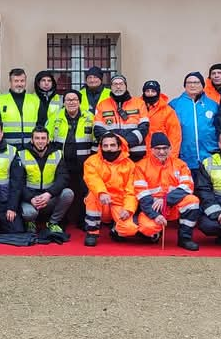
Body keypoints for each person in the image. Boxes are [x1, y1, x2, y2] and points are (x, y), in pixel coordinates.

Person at [132, 132, 201, 251]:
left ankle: (185, 239)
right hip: (153, 207)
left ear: (170, 148)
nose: (162, 152)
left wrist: (165, 200)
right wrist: (155, 215)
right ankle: (154, 234)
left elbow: (187, 187)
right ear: (151, 149)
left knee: (192, 201)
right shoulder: (141, 166)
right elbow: (142, 195)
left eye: (165, 148)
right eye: (158, 148)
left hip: (172, 205)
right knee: (148, 228)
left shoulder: (180, 164)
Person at [82, 133, 139, 247]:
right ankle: (92, 232)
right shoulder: (91, 161)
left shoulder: (130, 165)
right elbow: (92, 179)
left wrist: (128, 209)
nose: (109, 149)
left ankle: (115, 230)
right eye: (105, 146)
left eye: (112, 145)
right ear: (101, 147)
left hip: (119, 203)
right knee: (93, 195)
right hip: (101, 202)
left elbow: (131, 191)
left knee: (129, 230)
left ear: (119, 147)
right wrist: (101, 192)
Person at [50, 89, 95, 228]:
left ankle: (82, 220)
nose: (71, 102)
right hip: (62, 162)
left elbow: (96, 139)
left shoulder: (90, 117)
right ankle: (62, 220)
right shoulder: (55, 117)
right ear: (64, 102)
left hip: (84, 162)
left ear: (80, 102)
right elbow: (49, 139)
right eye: (68, 100)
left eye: (74, 99)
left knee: (83, 191)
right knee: (64, 191)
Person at [20, 126, 73, 236]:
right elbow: (18, 182)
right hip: (30, 198)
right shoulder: (22, 154)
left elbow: (63, 178)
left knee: (68, 193)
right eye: (37, 138)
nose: (40, 141)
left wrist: (49, 193)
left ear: (48, 140)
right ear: (32, 140)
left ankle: (53, 223)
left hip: (49, 197)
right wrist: (31, 198)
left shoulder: (57, 154)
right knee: (29, 214)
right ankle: (30, 222)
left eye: (43, 138)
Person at [169, 71, 219, 171]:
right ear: (184, 85)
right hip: (184, 159)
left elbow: (219, 128)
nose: (192, 85)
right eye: (189, 83)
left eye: (196, 82)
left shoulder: (213, 105)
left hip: (209, 158)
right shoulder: (174, 105)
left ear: (202, 85)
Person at [93, 75, 150, 161]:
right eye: (115, 84)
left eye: (121, 84)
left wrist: (124, 143)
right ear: (111, 87)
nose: (118, 86)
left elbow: (144, 128)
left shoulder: (139, 103)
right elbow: (98, 129)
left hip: (136, 154)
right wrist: (114, 144)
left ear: (126, 86)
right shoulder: (102, 105)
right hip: (110, 154)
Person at [0, 68, 41, 151]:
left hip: (31, 148)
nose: (19, 84)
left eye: (22, 81)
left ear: (25, 82)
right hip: (6, 148)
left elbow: (41, 124)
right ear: (10, 82)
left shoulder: (35, 100)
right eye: (16, 81)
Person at [142, 80, 181, 158]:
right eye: (147, 91)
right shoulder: (138, 108)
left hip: (160, 155)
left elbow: (175, 136)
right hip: (139, 156)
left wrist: (171, 158)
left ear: (158, 92)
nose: (150, 94)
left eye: (153, 91)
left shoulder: (168, 111)